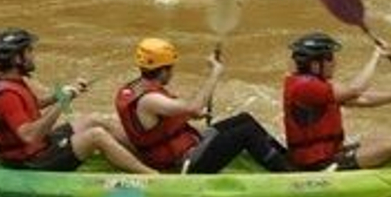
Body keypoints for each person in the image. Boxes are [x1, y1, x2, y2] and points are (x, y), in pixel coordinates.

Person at [0, 28, 154, 174]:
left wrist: (60, 93)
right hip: (30, 161)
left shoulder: (4, 79)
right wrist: (63, 101)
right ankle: (152, 176)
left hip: (40, 145)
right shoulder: (5, 96)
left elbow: (33, 105)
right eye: (29, 51)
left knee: (95, 120)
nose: (33, 56)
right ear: (17, 59)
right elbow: (30, 136)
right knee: (96, 136)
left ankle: (152, 156)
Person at [115, 37, 292, 173]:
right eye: (171, 68)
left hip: (188, 148)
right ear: (163, 70)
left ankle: (286, 157)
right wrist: (215, 72)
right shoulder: (150, 100)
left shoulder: (136, 87)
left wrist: (188, 114)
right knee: (246, 132)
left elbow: (165, 118)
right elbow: (194, 107)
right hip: (187, 163)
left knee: (245, 119)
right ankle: (288, 174)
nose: (172, 73)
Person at [282, 33, 391, 171]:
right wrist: (376, 56)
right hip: (319, 165)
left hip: (333, 153)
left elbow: (363, 99)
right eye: (330, 58)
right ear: (315, 64)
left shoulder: (317, 85)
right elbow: (356, 90)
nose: (335, 63)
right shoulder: (304, 87)